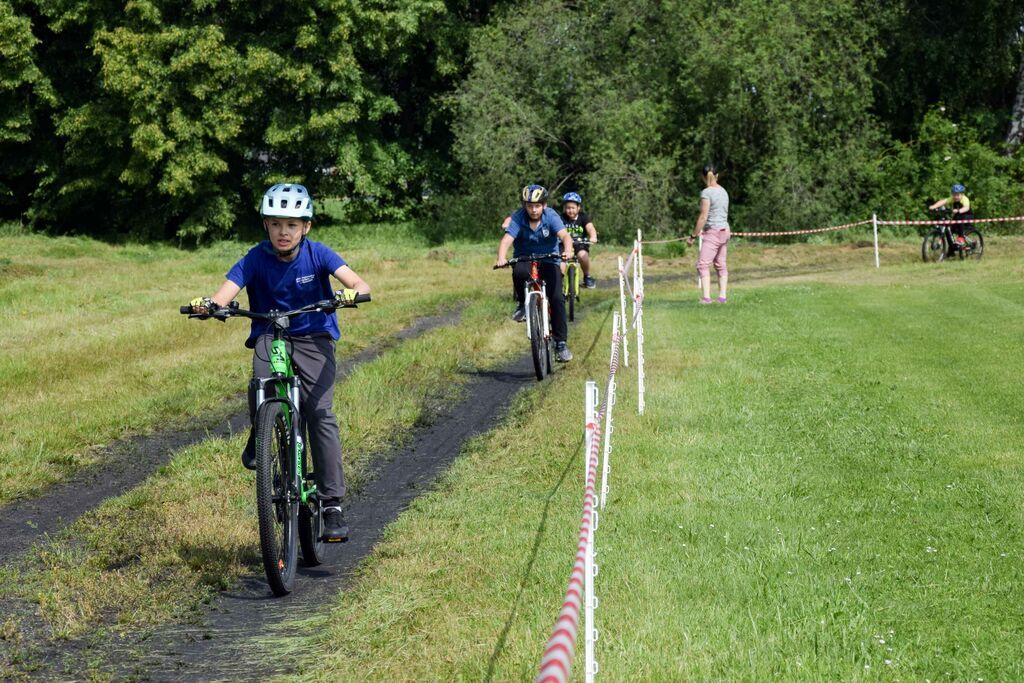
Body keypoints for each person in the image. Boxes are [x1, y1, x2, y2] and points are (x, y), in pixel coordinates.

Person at [188, 183, 370, 543]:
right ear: (265, 227)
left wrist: (350, 293)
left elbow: (356, 280)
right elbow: (227, 291)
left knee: (319, 413)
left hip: (313, 337)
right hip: (271, 334)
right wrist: (211, 305)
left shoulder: (319, 254)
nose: (283, 232)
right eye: (275, 224)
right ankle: (262, 431)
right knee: (262, 380)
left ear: (306, 227)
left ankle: (331, 503)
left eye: (291, 225)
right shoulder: (255, 258)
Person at [495, 183, 575, 362]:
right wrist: (501, 257)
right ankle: (523, 304)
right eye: (530, 206)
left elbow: (565, 236)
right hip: (525, 257)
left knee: (556, 299)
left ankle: (560, 343)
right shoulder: (518, 217)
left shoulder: (551, 216)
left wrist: (568, 250)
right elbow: (507, 239)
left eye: (537, 206)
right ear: (525, 205)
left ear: (544, 205)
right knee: (519, 272)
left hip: (549, 258)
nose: (533, 210)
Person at [686, 164, 730, 304]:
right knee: (720, 264)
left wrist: (693, 235)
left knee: (703, 265)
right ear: (717, 176)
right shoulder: (724, 191)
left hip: (713, 232)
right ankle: (722, 297)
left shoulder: (706, 193)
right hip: (725, 231)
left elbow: (703, 217)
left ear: (703, 177)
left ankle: (706, 298)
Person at [560, 192, 599, 288]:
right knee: (562, 259)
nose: (570, 210)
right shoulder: (561, 218)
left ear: (578, 208)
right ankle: (559, 280)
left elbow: (590, 228)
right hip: (564, 244)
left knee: (583, 256)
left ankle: (587, 276)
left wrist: (593, 236)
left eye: (573, 208)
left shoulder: (583, 217)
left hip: (580, 243)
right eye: (568, 208)